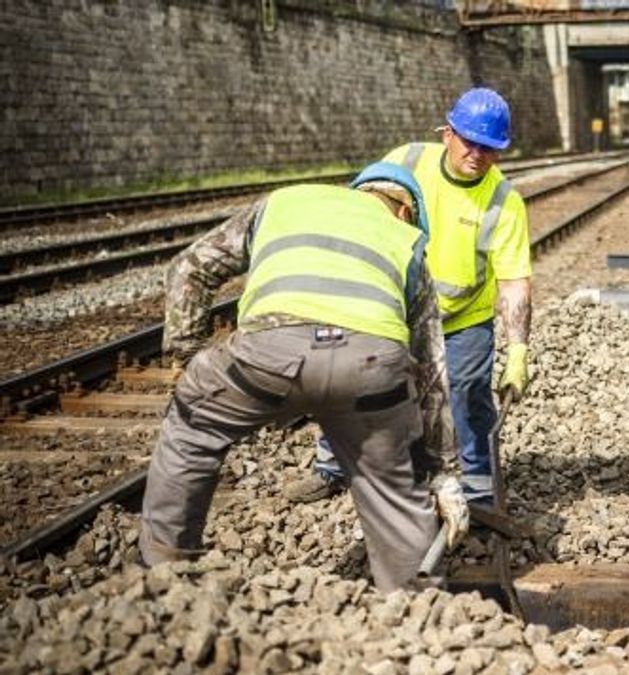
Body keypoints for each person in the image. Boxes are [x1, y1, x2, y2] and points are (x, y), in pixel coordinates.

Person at [142, 162, 468, 591]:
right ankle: (415, 604)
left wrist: (188, 355)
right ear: (405, 212)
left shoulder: (283, 202)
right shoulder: (407, 242)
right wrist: (445, 473)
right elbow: (431, 370)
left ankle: (166, 573)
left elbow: (187, 268)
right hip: (368, 371)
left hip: (266, 356)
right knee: (390, 487)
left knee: (192, 431)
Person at [285, 87, 533, 506]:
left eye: (490, 148)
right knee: (352, 374)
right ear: (447, 133)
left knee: (468, 388)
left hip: (461, 317)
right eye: (469, 142)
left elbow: (513, 281)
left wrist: (518, 352)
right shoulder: (406, 162)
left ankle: (479, 483)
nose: (477, 154)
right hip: (393, 305)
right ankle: (332, 464)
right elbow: (360, 212)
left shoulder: (504, 202)